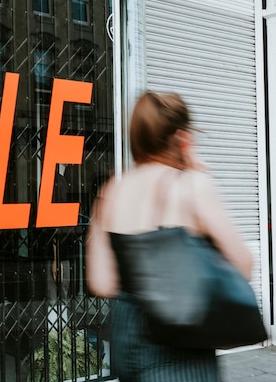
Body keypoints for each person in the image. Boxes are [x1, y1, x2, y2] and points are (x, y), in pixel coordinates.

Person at [86, 91, 253, 381]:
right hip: (177, 352)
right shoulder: (191, 186)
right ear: (181, 138)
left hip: (127, 348)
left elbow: (102, 283)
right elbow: (244, 264)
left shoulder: (111, 191)